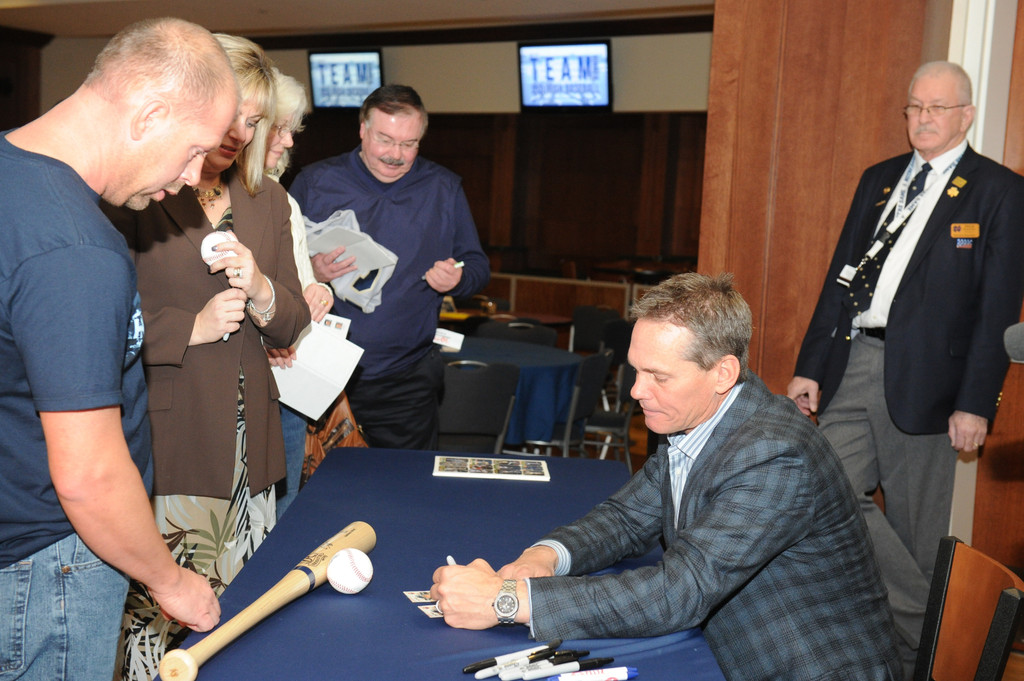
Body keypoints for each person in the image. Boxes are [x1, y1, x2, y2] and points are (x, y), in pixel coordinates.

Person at [432, 273, 903, 681]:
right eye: (636, 371)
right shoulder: (697, 413)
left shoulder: (774, 454)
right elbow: (626, 517)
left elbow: (679, 592)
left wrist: (508, 600)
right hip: (725, 648)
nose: (638, 391)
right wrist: (544, 558)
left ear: (723, 372)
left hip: (801, 667)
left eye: (658, 376)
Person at [0, 18, 238, 681]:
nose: (194, 177)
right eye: (194, 150)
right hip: (47, 563)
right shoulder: (76, 248)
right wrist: (170, 580)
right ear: (150, 114)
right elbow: (89, 475)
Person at [786, 61, 1024, 677]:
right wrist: (811, 364)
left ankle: (906, 661)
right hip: (855, 359)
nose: (922, 118)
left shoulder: (997, 191)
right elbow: (839, 277)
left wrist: (976, 402)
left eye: (937, 108)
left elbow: (998, 309)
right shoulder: (879, 179)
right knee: (825, 489)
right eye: (914, 107)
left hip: (933, 383)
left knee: (920, 536)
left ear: (965, 115)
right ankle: (941, 640)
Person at [103, 35, 310, 680]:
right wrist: (184, 328)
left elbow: (293, 321)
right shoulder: (144, 192)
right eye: (233, 118)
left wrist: (263, 288)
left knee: (243, 605)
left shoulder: (268, 198)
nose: (238, 134)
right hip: (176, 428)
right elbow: (103, 318)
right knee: (165, 611)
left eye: (252, 123)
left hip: (254, 438)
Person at [289, 84, 489, 450]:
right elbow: (274, 269)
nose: (396, 155)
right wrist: (311, 271)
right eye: (385, 140)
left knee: (404, 493)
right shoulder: (315, 182)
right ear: (363, 130)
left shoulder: (443, 188)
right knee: (321, 491)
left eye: (409, 144)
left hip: (406, 378)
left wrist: (457, 277)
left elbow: (477, 265)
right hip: (320, 370)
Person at [263, 67, 344, 517]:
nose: (291, 141)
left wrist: (319, 289)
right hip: (256, 373)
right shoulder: (216, 200)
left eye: (294, 129)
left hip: (294, 376)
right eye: (281, 129)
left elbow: (300, 276)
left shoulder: (283, 198)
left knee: (287, 501)